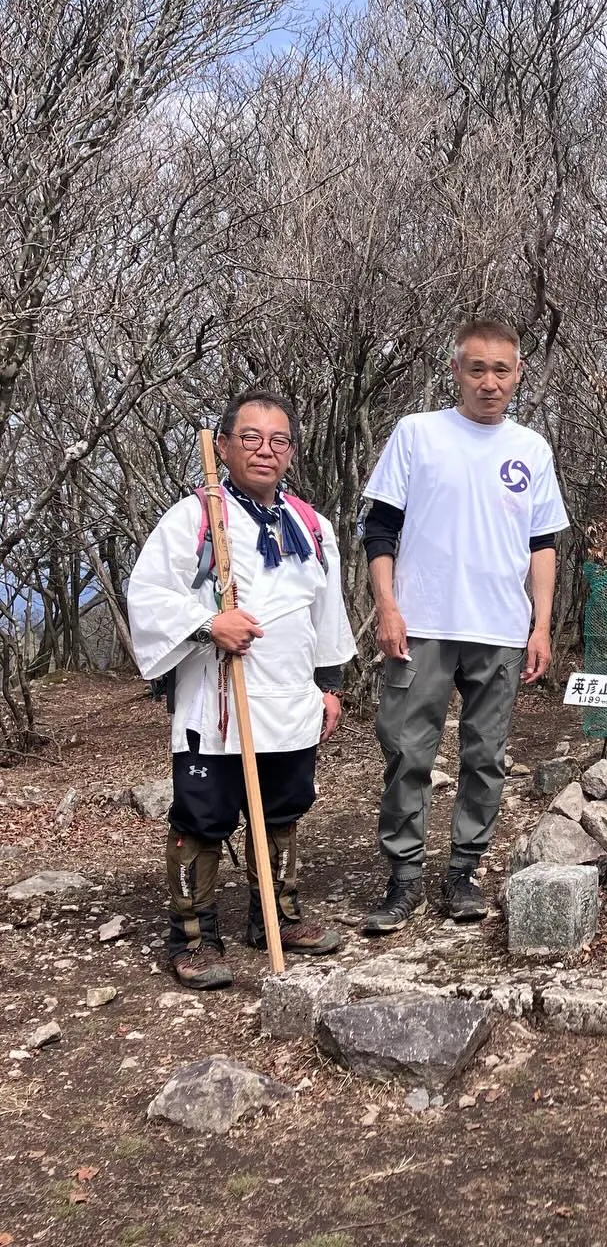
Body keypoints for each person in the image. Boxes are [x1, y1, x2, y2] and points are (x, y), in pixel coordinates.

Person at [128, 391, 356, 990]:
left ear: (292, 454)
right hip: (218, 702)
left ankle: (276, 918)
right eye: (250, 437)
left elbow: (326, 613)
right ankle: (193, 937)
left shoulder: (313, 525)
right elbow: (148, 594)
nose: (265, 449)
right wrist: (210, 624)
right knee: (203, 819)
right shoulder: (196, 518)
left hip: (289, 700)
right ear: (224, 446)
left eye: (278, 440)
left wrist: (330, 685)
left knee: (282, 811)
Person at [360, 317, 569, 932]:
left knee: (486, 756)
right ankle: (403, 876)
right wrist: (387, 605)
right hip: (420, 621)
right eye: (476, 368)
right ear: (456, 370)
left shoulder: (531, 449)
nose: (488, 381)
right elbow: (380, 527)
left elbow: (543, 542)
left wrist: (541, 625)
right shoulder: (417, 434)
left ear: (518, 375)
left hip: (501, 627)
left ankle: (463, 872)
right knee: (405, 749)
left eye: (501, 369)